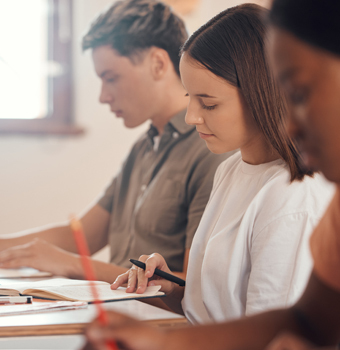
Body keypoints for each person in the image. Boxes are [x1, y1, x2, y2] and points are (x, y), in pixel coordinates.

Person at [82, 1, 340, 349]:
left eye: (209, 103)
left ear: (260, 93)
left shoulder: (291, 195)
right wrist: (174, 289)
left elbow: (276, 335)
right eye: (190, 97)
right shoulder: (231, 169)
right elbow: (281, 318)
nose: (190, 116)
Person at [0, 0, 228, 283]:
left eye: (111, 78)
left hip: (157, 321)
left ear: (158, 64)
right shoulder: (145, 147)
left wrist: (73, 265)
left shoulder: (210, 150)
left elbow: (195, 286)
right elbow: (82, 237)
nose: (103, 96)